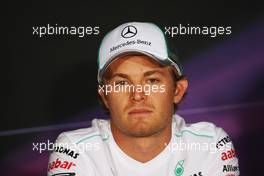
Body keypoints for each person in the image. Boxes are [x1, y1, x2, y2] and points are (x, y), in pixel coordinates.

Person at [47, 22, 239, 176]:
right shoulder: (75, 150)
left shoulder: (210, 145)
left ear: (178, 90)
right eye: (121, 83)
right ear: (105, 95)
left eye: (152, 81)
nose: (137, 95)